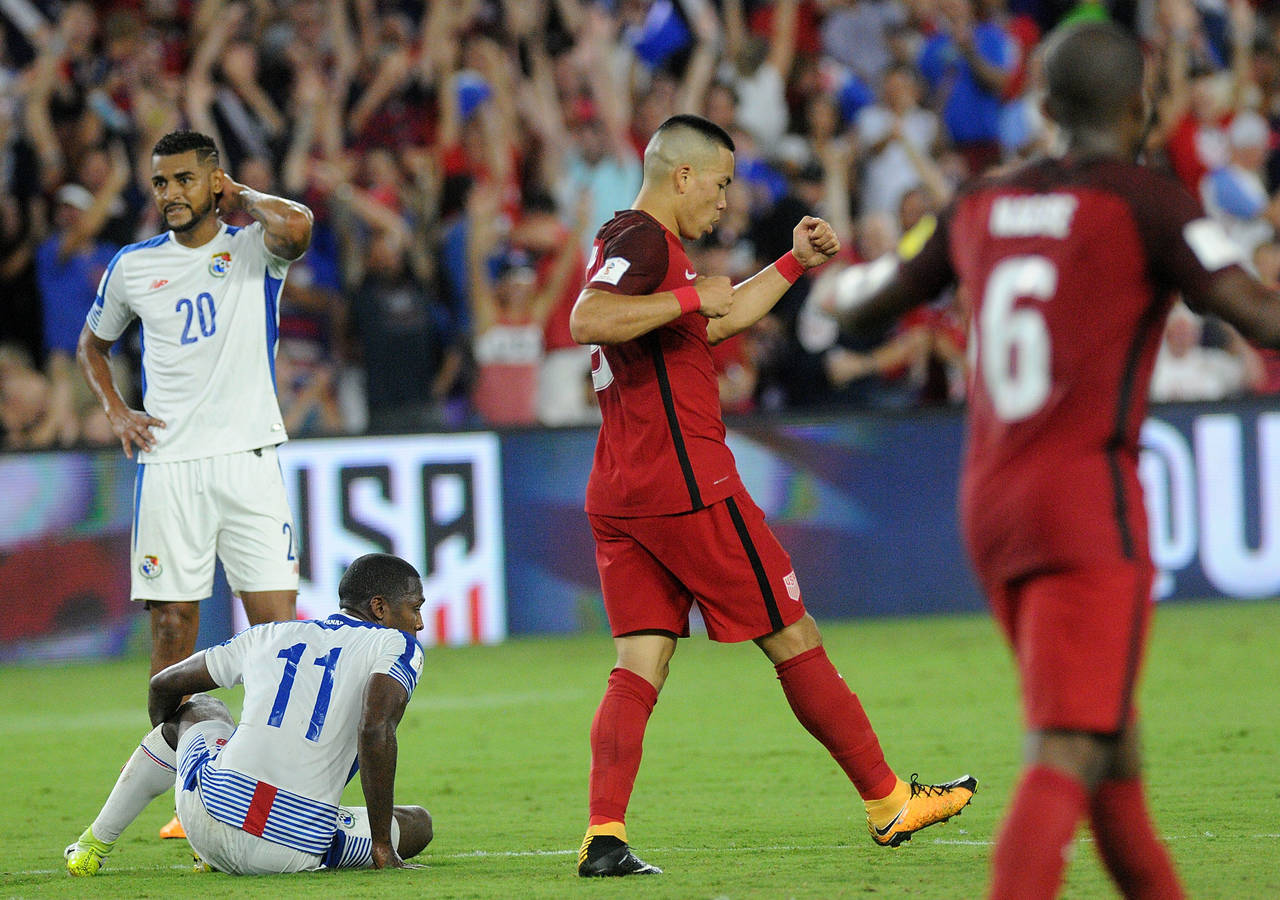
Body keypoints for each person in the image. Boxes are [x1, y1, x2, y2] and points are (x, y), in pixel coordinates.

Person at [840, 21, 1280, 899]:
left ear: (1043, 107)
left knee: (1114, 765)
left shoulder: (978, 202)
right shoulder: (1148, 202)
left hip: (990, 505)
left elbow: (863, 307)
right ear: (1139, 107)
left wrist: (839, 286)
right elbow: (1259, 314)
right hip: (1086, 508)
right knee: (1067, 750)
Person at [569, 113, 977, 878]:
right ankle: (888, 801)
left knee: (639, 664)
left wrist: (791, 264)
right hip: (687, 485)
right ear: (682, 175)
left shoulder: (626, 241)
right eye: (721, 183)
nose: (726, 200)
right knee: (793, 633)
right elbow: (588, 317)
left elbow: (710, 323)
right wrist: (691, 300)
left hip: (622, 491)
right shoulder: (647, 242)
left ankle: (604, 835)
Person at [76, 130, 314, 839]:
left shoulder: (254, 248)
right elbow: (93, 345)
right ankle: (191, 793)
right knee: (172, 628)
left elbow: (300, 226)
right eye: (160, 182)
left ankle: (272, 782)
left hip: (249, 459)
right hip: (171, 465)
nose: (170, 193)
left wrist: (244, 196)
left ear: (214, 181)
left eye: (184, 179)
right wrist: (116, 411)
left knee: (275, 633)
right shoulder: (133, 266)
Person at [64, 552, 432, 876]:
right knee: (418, 825)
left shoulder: (270, 634)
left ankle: (93, 844)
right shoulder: (398, 644)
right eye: (415, 608)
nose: (419, 623)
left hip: (207, 819)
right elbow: (375, 728)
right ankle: (340, 836)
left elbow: (163, 684)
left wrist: (169, 744)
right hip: (290, 849)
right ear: (379, 608)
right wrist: (382, 846)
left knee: (202, 705)